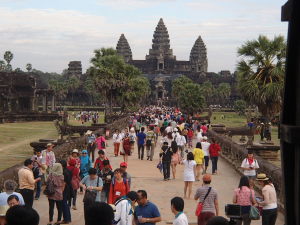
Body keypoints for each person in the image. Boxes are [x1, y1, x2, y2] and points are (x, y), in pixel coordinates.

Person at [60, 160, 72, 224]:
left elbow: (64, 183)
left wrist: (61, 191)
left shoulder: (64, 172)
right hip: (68, 189)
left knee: (64, 204)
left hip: (64, 189)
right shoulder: (68, 171)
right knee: (66, 204)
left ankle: (66, 219)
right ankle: (68, 218)